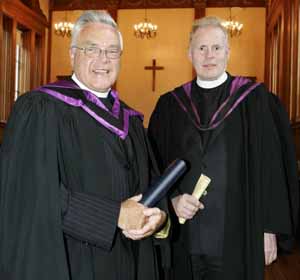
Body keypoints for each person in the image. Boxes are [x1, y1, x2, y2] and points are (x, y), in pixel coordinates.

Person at [0, 11, 169, 280]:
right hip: (71, 260)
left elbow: (151, 183)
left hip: (131, 261)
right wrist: (113, 216)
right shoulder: (42, 110)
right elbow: (29, 194)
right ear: (72, 54)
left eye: (112, 51)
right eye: (92, 49)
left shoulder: (132, 121)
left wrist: (157, 217)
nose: (104, 60)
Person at [148, 16, 299, 280]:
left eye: (217, 48)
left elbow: (272, 168)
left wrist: (268, 229)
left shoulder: (255, 101)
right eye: (201, 48)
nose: (209, 55)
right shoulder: (170, 106)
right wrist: (170, 201)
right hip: (186, 238)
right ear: (189, 54)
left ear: (228, 52)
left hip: (238, 234)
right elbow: (153, 166)